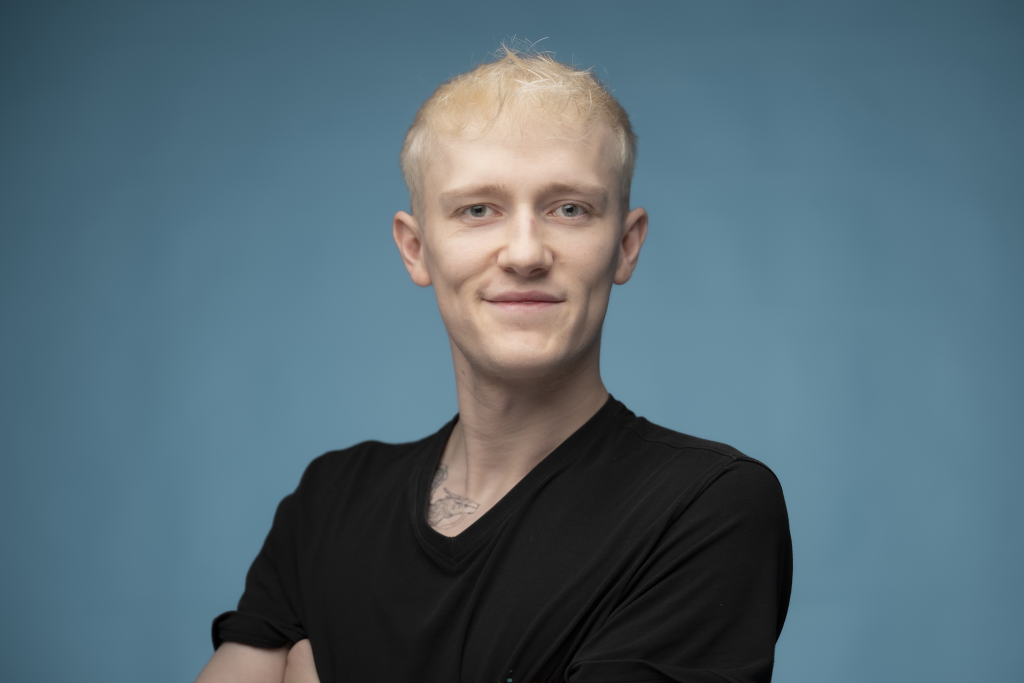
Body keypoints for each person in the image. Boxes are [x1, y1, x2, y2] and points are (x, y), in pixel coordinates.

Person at [195, 47, 792, 683]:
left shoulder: (706, 507)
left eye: (570, 208)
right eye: (478, 210)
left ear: (625, 245)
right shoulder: (330, 502)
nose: (526, 253)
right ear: (416, 249)